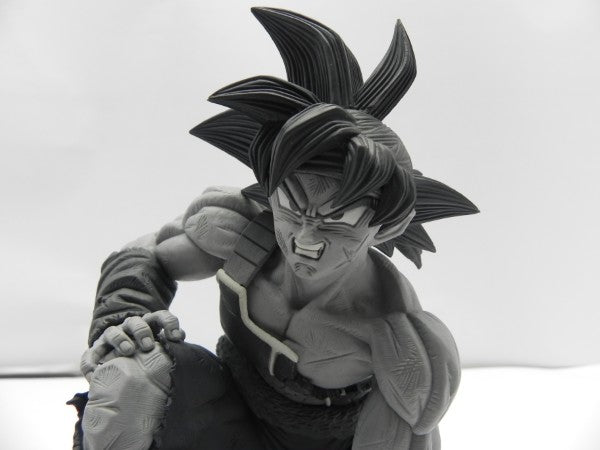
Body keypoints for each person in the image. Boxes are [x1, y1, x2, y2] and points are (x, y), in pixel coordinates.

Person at [70, 7, 478, 450]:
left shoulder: (398, 337)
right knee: (130, 376)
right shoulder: (244, 234)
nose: (305, 239)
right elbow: (148, 253)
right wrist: (123, 322)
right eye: (291, 204)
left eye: (341, 219)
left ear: (386, 225)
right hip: (227, 415)